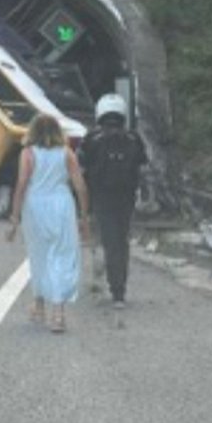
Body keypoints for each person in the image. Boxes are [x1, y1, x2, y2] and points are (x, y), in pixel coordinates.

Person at [6, 113, 90, 333]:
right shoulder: (66, 153)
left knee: (39, 255)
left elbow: (22, 183)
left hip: (35, 206)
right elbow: (80, 186)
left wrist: (14, 217)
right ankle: (58, 314)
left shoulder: (27, 153)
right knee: (62, 256)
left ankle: (39, 306)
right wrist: (84, 215)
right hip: (62, 205)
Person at [79, 93, 148, 310]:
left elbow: (80, 167)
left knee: (109, 242)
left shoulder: (91, 139)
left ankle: (115, 289)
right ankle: (121, 288)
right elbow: (143, 166)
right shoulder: (134, 138)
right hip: (126, 196)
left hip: (102, 196)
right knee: (122, 240)